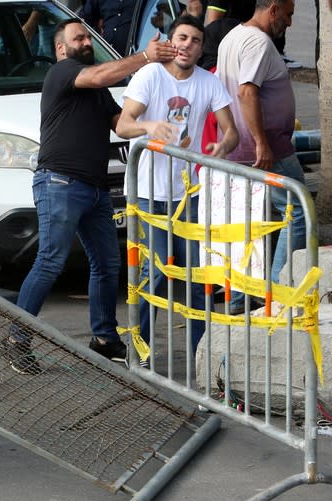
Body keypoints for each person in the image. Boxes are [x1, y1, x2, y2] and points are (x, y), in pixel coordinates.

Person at [0, 19, 176, 375]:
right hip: (60, 183)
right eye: (77, 37)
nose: (85, 41)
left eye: (87, 37)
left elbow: (120, 124)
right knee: (50, 261)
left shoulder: (96, 88)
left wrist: (151, 125)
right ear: (61, 48)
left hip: (95, 189)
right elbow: (99, 76)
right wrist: (145, 56)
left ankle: (104, 338)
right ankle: (16, 338)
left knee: (108, 265)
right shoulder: (63, 73)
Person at [115, 14, 238, 358]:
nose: (187, 45)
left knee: (198, 281)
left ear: (201, 49)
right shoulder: (150, 75)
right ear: (171, 41)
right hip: (147, 193)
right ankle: (139, 354)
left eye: (195, 40)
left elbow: (231, 131)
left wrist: (221, 147)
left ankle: (202, 358)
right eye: (182, 38)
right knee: (152, 276)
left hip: (188, 196)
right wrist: (150, 125)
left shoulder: (208, 82)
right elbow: (123, 125)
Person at [216, 0, 301, 310]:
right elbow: (247, 91)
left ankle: (242, 296)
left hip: (240, 147)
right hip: (265, 150)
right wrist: (262, 143)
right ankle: (277, 291)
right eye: (289, 15)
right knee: (298, 211)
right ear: (274, 8)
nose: (290, 23)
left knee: (249, 221)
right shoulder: (258, 42)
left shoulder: (234, 37)